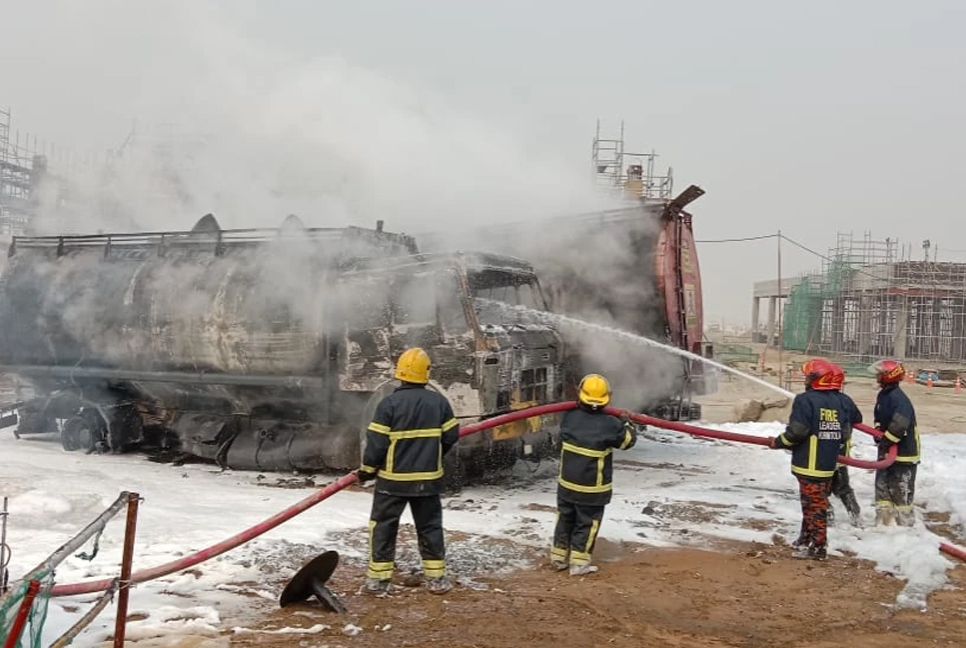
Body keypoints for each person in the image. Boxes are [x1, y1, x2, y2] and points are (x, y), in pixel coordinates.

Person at [356, 347, 460, 595]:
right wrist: (432, 457)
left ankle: (378, 582)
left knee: (383, 526)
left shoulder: (388, 404)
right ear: (426, 373)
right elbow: (451, 436)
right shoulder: (439, 402)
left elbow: (377, 444)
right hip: (428, 481)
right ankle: (436, 580)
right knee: (430, 527)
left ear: (399, 373)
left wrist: (367, 470)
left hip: (392, 482)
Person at [770, 358, 859, 560]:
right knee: (811, 502)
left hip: (809, 463)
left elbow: (798, 431)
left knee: (814, 505)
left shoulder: (805, 400)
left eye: (809, 376)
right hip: (829, 463)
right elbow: (856, 419)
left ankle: (818, 548)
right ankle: (806, 537)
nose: (806, 379)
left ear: (818, 379)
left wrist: (779, 442)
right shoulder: (842, 400)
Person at [551, 373, 637, 576]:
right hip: (593, 489)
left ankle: (558, 557)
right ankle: (579, 563)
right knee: (587, 523)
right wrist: (626, 422)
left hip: (567, 484)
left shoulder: (569, 417)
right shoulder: (610, 424)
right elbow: (627, 441)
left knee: (565, 518)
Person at [870, 359, 921, 527]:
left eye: (880, 373)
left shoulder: (898, 399)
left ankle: (905, 526)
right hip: (888, 451)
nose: (877, 376)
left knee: (901, 491)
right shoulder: (884, 395)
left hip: (904, 453)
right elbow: (880, 417)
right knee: (883, 488)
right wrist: (878, 432)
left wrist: (886, 441)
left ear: (889, 376)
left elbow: (899, 424)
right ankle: (884, 523)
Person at [826, 362, 863, 527]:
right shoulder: (845, 400)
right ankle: (855, 514)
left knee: (819, 487)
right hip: (841, 451)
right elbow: (858, 418)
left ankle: (827, 515)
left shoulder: (818, 400)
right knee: (843, 486)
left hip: (821, 453)